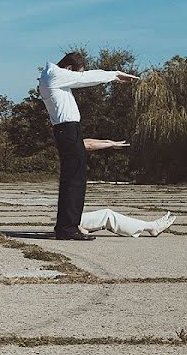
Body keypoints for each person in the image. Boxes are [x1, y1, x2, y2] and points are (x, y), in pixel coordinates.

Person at [38, 52, 138, 241]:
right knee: (75, 180)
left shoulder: (50, 75)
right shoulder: (55, 75)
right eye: (75, 73)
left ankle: (66, 226)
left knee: (72, 179)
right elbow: (85, 78)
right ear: (68, 69)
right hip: (67, 130)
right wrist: (114, 75)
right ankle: (68, 228)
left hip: (66, 130)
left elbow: (83, 76)